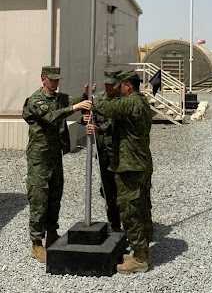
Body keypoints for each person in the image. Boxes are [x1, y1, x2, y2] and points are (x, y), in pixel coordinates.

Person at [22, 66, 92, 261]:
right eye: (52, 80)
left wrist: (85, 95)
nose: (56, 83)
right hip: (40, 157)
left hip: (55, 156)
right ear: (43, 80)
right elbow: (51, 117)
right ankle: (36, 243)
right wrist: (74, 108)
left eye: (57, 79)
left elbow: (74, 101)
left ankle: (52, 234)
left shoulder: (59, 98)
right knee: (39, 197)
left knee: (54, 195)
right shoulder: (36, 100)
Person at [91, 71, 153, 274]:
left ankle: (139, 259)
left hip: (130, 166)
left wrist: (90, 99)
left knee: (130, 211)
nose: (116, 90)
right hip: (140, 163)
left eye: (119, 86)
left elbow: (106, 106)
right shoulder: (141, 102)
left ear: (127, 86)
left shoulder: (131, 103)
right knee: (142, 208)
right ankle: (141, 251)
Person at [83, 67, 122, 232]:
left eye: (112, 85)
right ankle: (114, 225)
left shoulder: (124, 101)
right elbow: (89, 117)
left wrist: (100, 129)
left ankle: (128, 224)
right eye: (106, 84)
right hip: (103, 152)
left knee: (123, 191)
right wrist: (85, 118)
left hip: (121, 154)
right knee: (107, 190)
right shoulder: (97, 99)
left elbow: (119, 125)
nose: (108, 88)